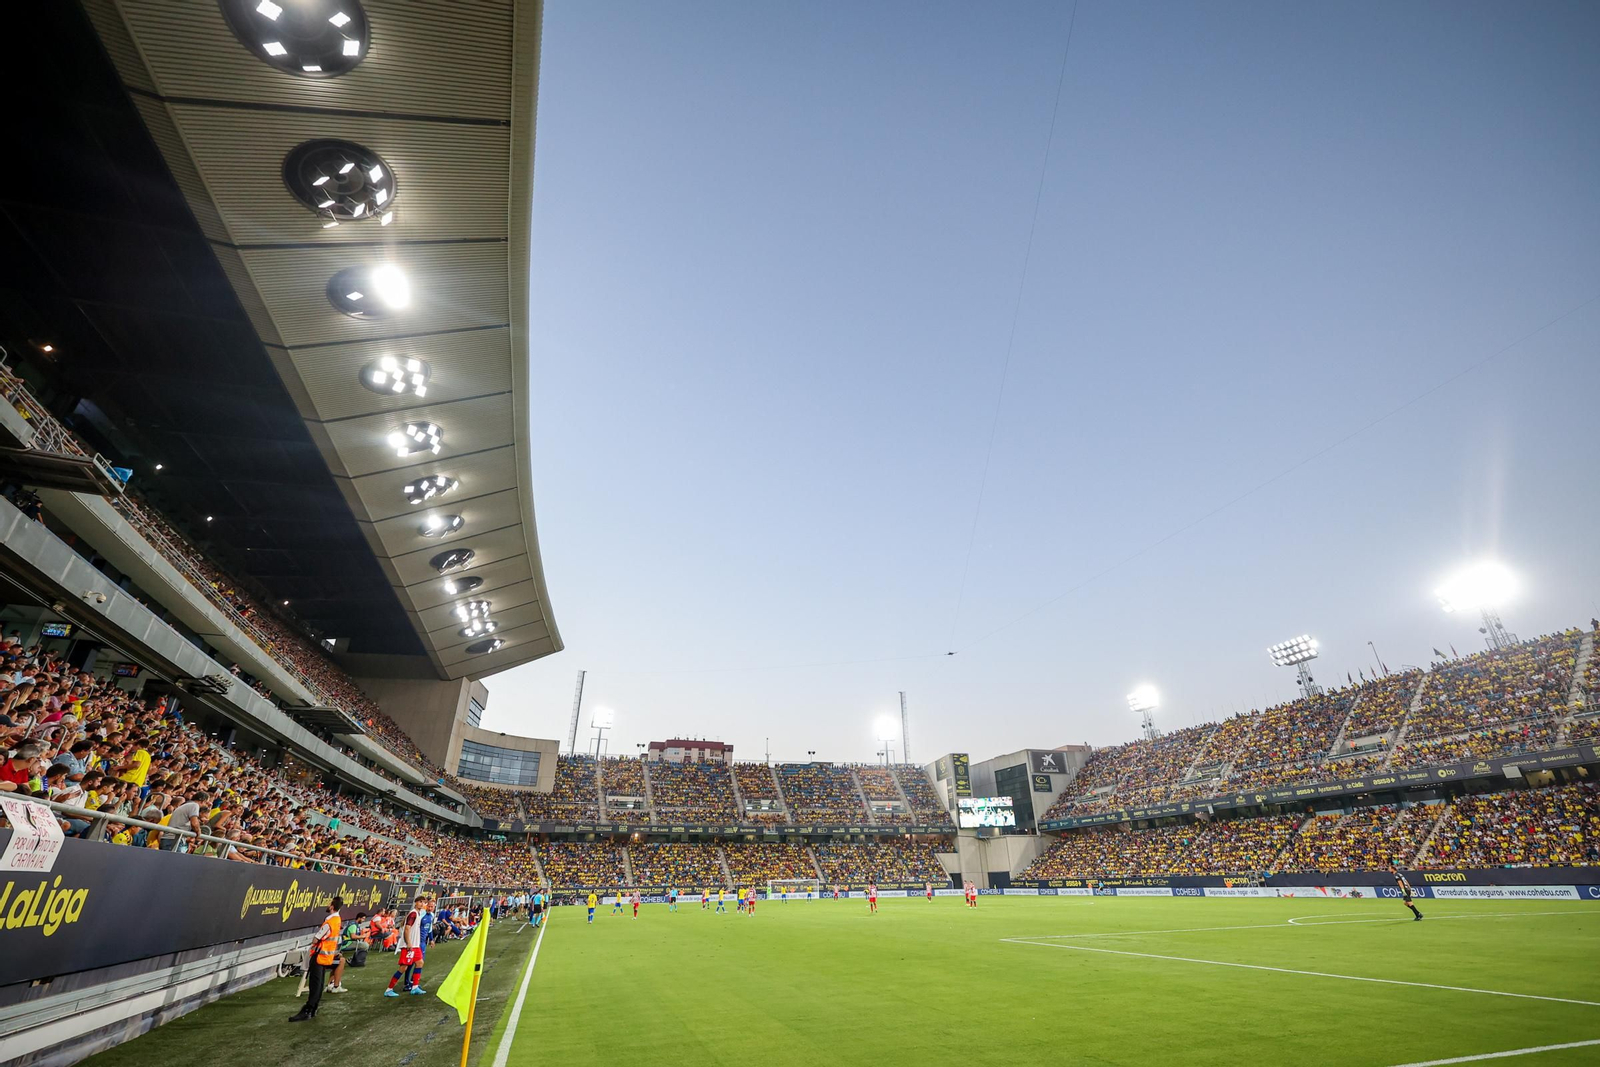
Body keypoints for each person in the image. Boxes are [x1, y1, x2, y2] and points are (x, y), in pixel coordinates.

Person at [288, 896, 343, 1022]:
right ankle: (313, 1009)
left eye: (329, 903)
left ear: (332, 906)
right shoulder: (337, 920)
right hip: (326, 956)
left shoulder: (329, 922)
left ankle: (308, 1009)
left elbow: (316, 938)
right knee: (319, 983)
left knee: (315, 983)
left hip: (319, 955)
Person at [385, 898, 427, 997]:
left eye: (423, 902)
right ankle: (389, 989)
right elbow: (407, 929)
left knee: (420, 962)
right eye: (420, 902)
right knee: (403, 967)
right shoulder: (413, 914)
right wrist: (408, 943)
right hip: (410, 945)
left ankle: (415, 987)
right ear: (416, 902)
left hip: (415, 945)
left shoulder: (417, 913)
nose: (421, 904)